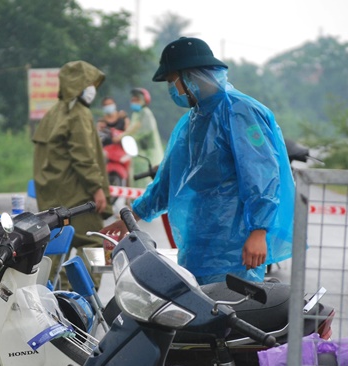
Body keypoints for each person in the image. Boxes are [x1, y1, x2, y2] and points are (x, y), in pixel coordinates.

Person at [102, 37, 295, 285]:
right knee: (197, 317)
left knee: (231, 315)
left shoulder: (239, 111)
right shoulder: (192, 122)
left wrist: (259, 230)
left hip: (234, 248)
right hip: (197, 244)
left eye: (173, 81)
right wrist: (132, 215)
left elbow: (261, 175)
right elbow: (168, 180)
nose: (173, 89)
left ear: (191, 76)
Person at [33, 60, 112, 289]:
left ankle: (52, 294)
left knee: (56, 247)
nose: (93, 89)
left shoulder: (53, 112)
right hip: (76, 195)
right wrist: (97, 188)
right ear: (80, 84)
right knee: (97, 243)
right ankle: (83, 298)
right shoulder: (78, 114)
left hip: (52, 196)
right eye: (90, 83)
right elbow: (84, 155)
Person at [116, 87, 164, 187]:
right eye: (133, 100)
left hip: (150, 156)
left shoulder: (145, 113)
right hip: (138, 155)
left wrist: (121, 137)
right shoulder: (136, 114)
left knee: (148, 185)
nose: (134, 102)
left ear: (144, 100)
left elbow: (139, 132)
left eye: (137, 100)